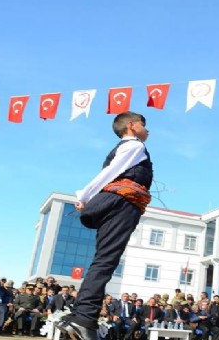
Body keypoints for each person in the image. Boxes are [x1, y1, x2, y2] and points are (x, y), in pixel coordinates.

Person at [56, 111, 153, 340]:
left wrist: (90, 198)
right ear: (131, 126)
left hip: (110, 202)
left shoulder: (122, 149)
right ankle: (83, 319)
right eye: (143, 125)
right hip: (122, 202)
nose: (147, 130)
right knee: (106, 260)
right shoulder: (134, 146)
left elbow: (108, 175)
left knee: (102, 260)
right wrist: (84, 195)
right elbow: (109, 173)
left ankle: (82, 316)